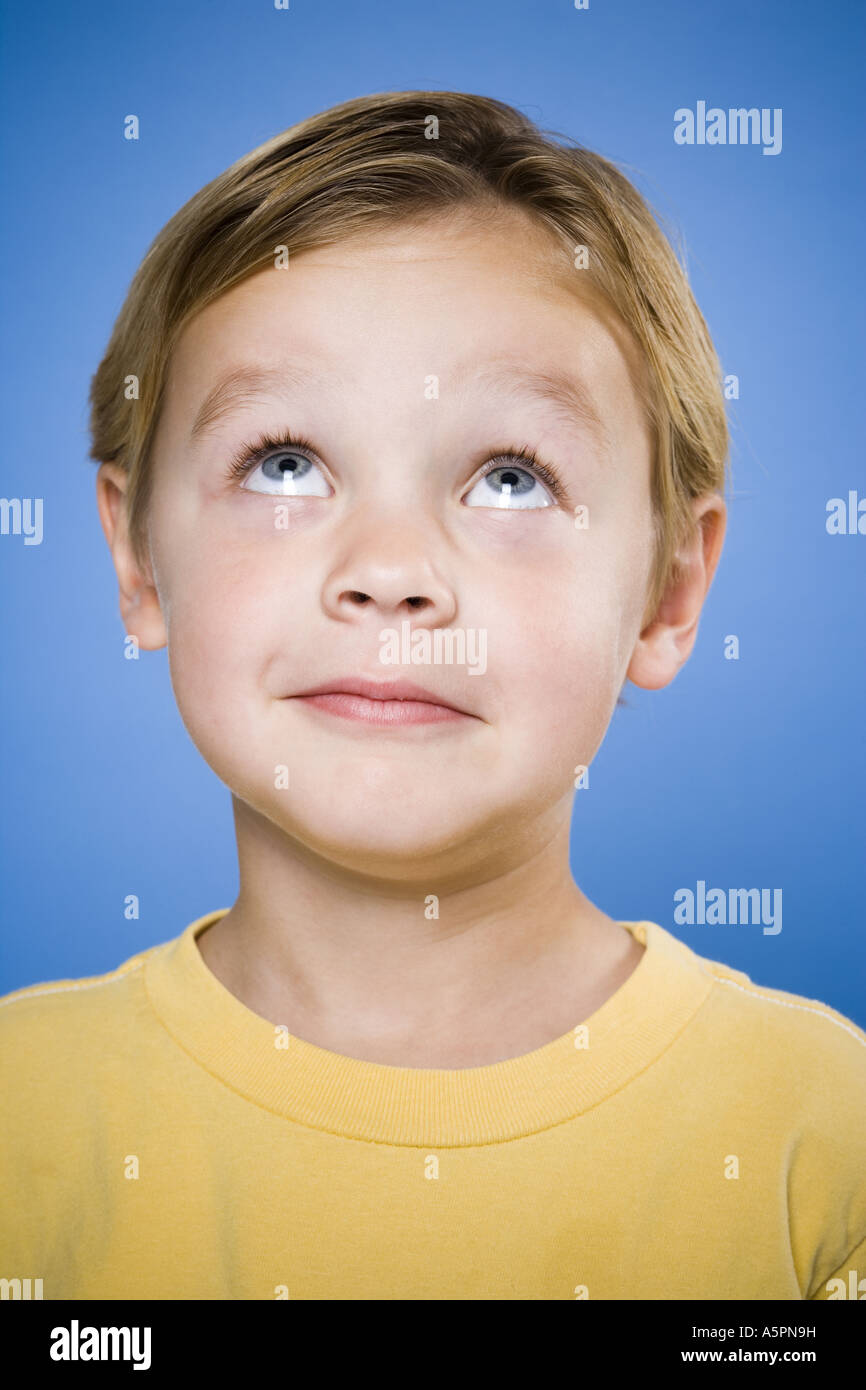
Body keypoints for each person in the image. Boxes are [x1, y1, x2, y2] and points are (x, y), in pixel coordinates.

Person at [1, 90, 863, 1300]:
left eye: (510, 478)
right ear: (137, 560)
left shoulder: (825, 1149)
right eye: (284, 463)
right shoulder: (18, 1124)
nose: (391, 574)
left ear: (667, 595)